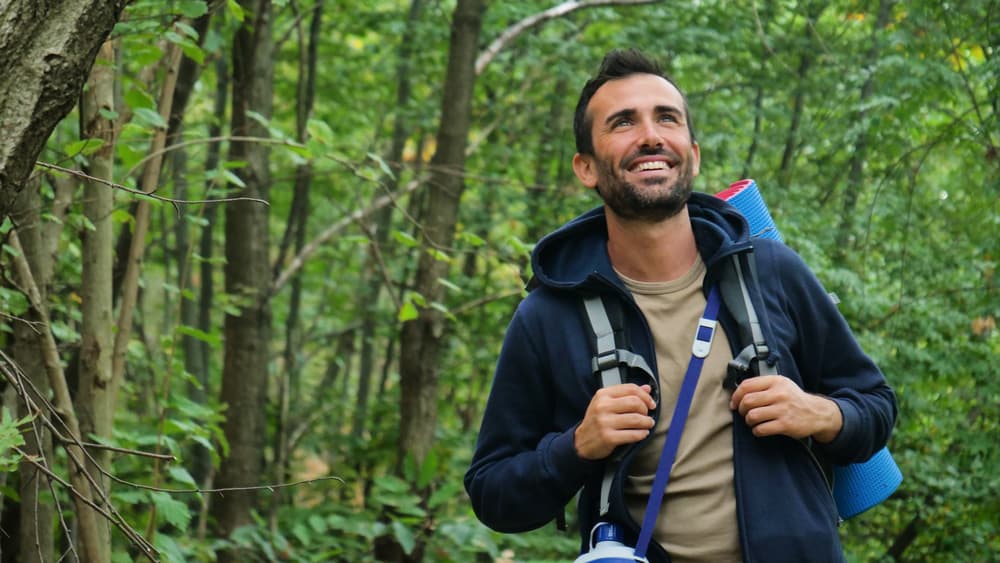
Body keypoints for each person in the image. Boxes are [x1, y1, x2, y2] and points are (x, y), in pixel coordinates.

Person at [463, 48, 897, 563]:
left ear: (692, 154)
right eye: (623, 122)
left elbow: (876, 405)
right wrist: (575, 445)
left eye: (666, 118)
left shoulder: (771, 271)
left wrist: (821, 413)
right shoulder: (548, 316)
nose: (650, 135)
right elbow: (492, 493)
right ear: (586, 168)